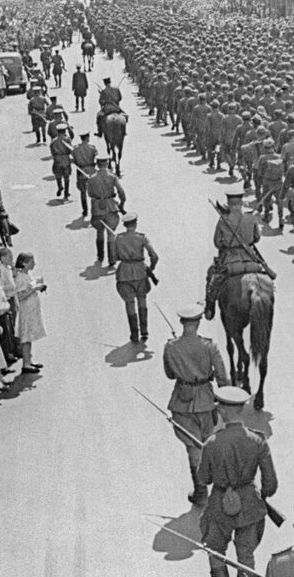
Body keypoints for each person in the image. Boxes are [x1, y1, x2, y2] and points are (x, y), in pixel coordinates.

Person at [198, 385, 277, 577]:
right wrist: (257, 496)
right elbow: (271, 485)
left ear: (221, 411)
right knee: (246, 559)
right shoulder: (258, 440)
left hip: (219, 506)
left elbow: (204, 479)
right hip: (250, 506)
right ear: (242, 410)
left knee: (215, 552)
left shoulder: (211, 444)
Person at [164, 305, 229, 505]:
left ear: (182, 323)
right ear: (198, 322)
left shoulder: (171, 347)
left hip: (182, 404)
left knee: (193, 448)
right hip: (206, 402)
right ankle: (221, 488)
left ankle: (201, 492)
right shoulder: (209, 346)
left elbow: (169, 374)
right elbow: (222, 378)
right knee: (211, 445)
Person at [206, 192, 262, 324]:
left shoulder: (223, 220)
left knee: (212, 277)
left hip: (230, 260)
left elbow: (217, 243)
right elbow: (257, 238)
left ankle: (210, 308)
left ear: (229, 205)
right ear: (241, 204)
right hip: (250, 258)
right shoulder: (250, 218)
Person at [111, 213, 159, 342]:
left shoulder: (118, 239)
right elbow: (154, 256)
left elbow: (114, 258)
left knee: (129, 303)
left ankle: (134, 333)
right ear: (135, 224)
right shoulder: (142, 238)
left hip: (124, 274)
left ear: (125, 225)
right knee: (142, 300)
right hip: (140, 272)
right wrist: (151, 269)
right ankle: (144, 331)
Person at [85, 157, 126, 267]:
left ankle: (100, 255)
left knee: (99, 232)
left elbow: (89, 194)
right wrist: (121, 204)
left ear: (97, 165)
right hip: (111, 207)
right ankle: (111, 258)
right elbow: (122, 192)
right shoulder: (112, 177)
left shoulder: (92, 178)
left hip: (97, 208)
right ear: (107, 163)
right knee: (111, 234)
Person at [11, 252, 47, 374]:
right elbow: (20, 296)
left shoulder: (27, 274)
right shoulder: (20, 277)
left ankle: (29, 360)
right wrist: (34, 289)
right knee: (26, 336)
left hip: (31, 308)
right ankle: (26, 364)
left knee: (29, 335)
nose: (34, 264)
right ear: (24, 263)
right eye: (31, 262)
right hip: (26, 309)